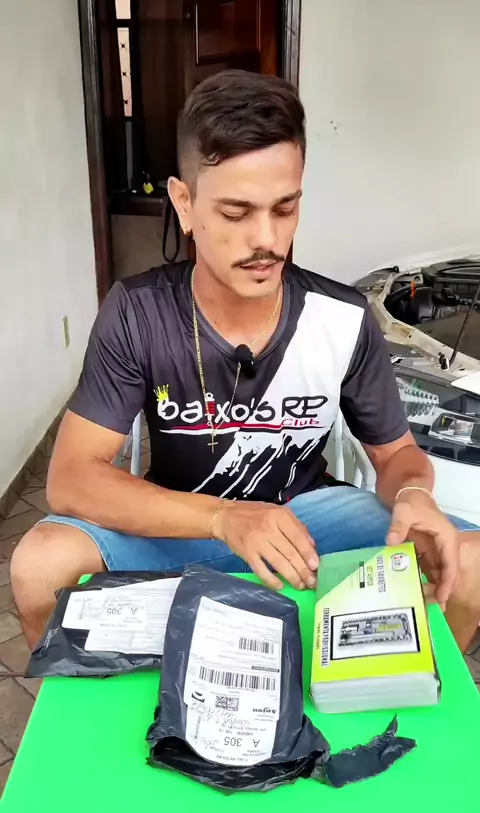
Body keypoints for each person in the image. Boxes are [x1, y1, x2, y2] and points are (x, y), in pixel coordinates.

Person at [11, 70, 480, 653]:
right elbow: (71, 478)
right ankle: (90, 708)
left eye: (285, 209)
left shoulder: (342, 317)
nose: (268, 240)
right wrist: (222, 518)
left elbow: (396, 455)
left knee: (469, 558)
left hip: (308, 522)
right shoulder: (138, 312)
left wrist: (414, 493)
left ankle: (409, 697)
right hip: (183, 523)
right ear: (185, 204)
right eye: (236, 213)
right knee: (40, 563)